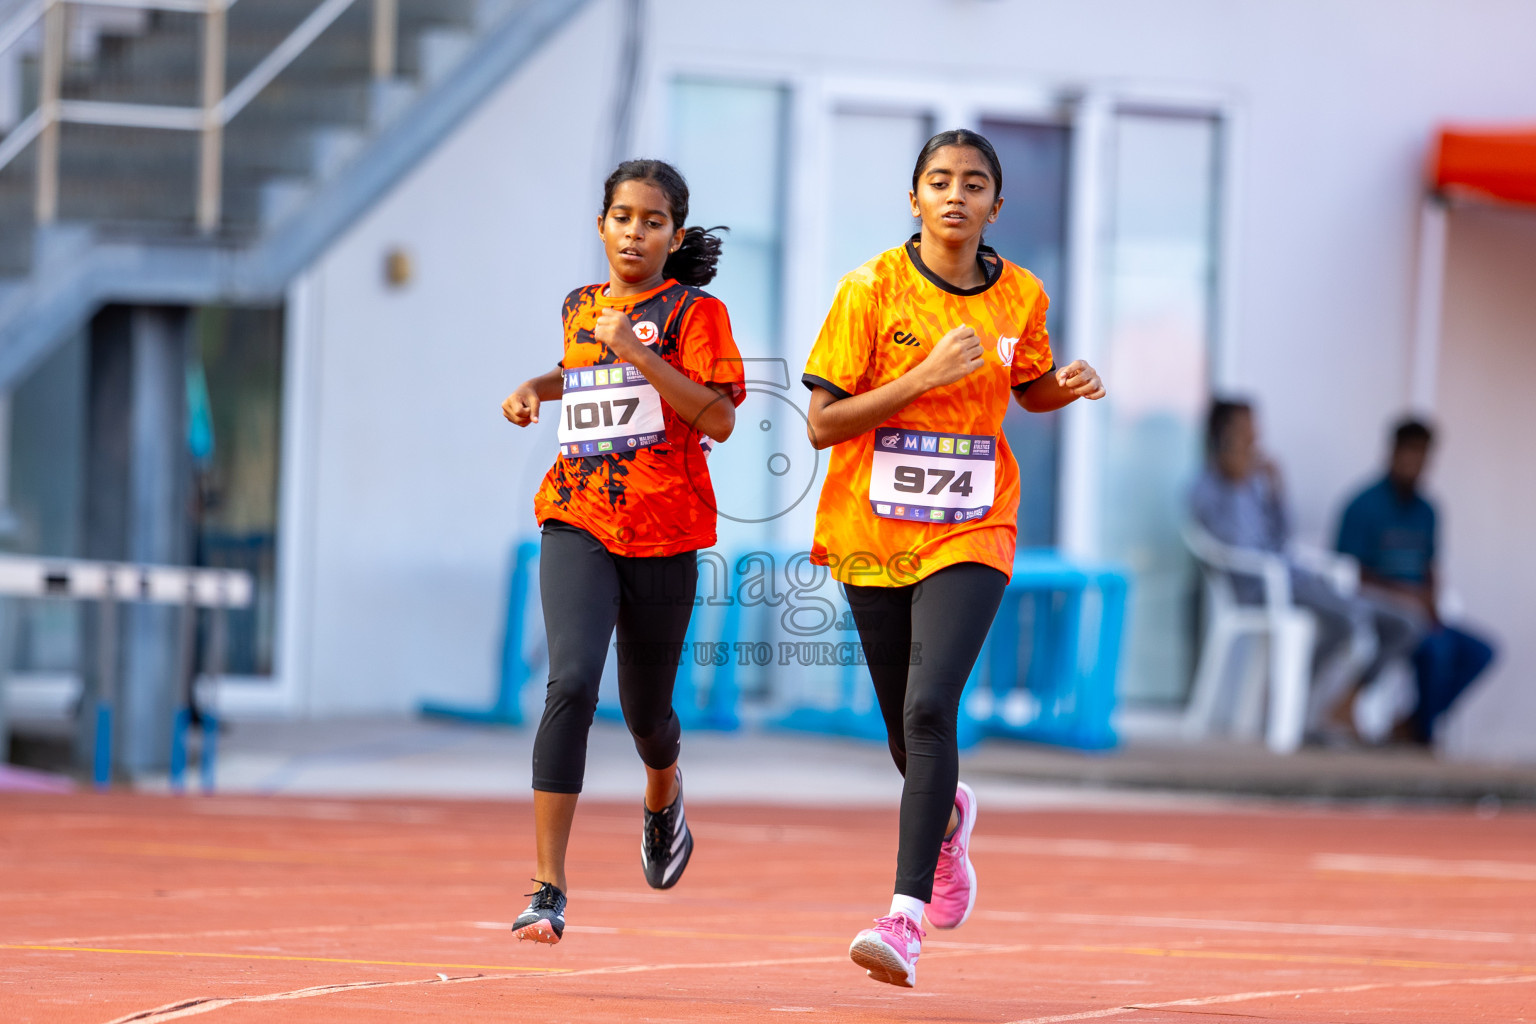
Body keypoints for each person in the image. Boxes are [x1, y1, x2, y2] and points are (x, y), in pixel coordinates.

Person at [803, 129, 1105, 988]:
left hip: (975, 526)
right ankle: (949, 821)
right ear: (914, 198)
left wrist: (1063, 387)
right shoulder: (869, 290)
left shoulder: (1022, 296)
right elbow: (824, 424)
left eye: (974, 184)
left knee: (932, 706)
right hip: (874, 529)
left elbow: (1026, 381)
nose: (956, 195)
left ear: (995, 207)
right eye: (939, 181)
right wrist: (924, 375)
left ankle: (901, 921)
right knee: (905, 722)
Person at [500, 160, 745, 944]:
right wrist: (538, 388)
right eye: (621, 217)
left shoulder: (696, 314)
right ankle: (548, 886)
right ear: (601, 224)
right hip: (577, 520)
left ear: (674, 236)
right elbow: (582, 372)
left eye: (651, 221)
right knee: (570, 682)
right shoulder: (580, 307)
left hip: (666, 533)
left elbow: (718, 419)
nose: (634, 232)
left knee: (647, 714)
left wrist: (639, 353)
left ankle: (662, 792)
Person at [1190, 400, 1423, 740]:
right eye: (1246, 431)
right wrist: (1237, 485)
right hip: (1260, 586)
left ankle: (1316, 706)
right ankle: (1299, 711)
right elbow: (1235, 546)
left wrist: (1275, 490)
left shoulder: (1256, 481)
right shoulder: (1207, 486)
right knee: (1349, 617)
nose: (1256, 438)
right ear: (1223, 434)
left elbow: (1282, 538)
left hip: (1294, 579)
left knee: (1401, 622)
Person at [1336, 418, 1495, 745]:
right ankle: (1423, 737)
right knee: (1436, 651)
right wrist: (1405, 596)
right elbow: (1349, 573)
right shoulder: (1363, 504)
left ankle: (1412, 725)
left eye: (1421, 455)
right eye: (1408, 453)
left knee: (1479, 651)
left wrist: (1431, 602)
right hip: (1383, 610)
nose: (1414, 463)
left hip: (1422, 612)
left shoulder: (1428, 510)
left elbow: (1431, 566)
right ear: (1392, 452)